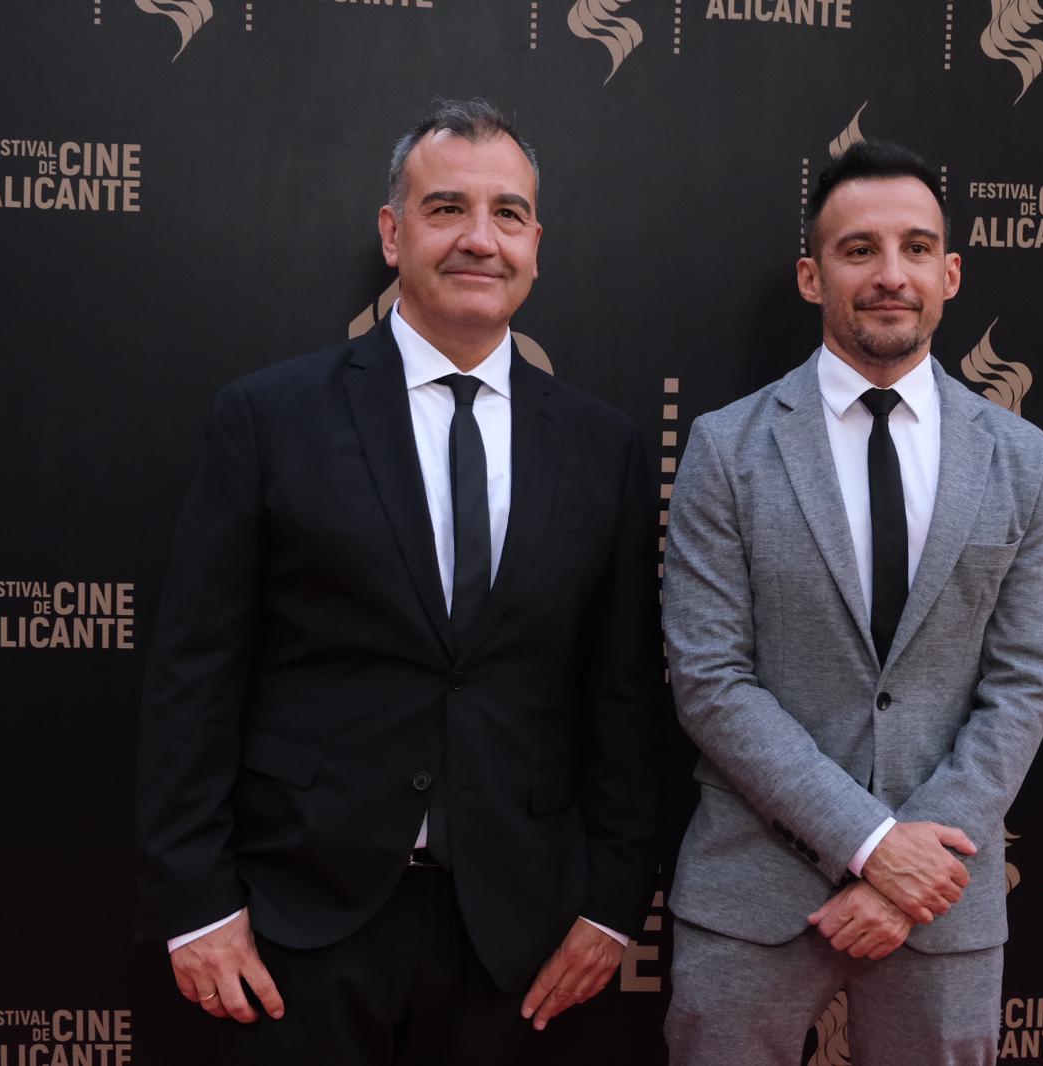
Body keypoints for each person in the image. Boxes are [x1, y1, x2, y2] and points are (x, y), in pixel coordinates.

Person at [135, 98, 662, 1065]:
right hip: (301, 916)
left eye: (508, 215)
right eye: (445, 208)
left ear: (536, 244)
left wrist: (616, 904)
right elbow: (193, 677)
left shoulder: (603, 446)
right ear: (392, 233)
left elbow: (621, 695)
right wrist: (197, 904)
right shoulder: (269, 417)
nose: (479, 239)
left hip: (522, 935)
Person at [661, 139, 1043, 1066]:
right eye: (859, 251)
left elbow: (1025, 679)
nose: (892, 275)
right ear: (812, 276)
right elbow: (713, 680)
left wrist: (911, 876)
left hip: (944, 900)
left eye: (916, 248)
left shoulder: (1022, 459)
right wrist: (874, 844)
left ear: (950, 272)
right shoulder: (727, 450)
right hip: (752, 895)